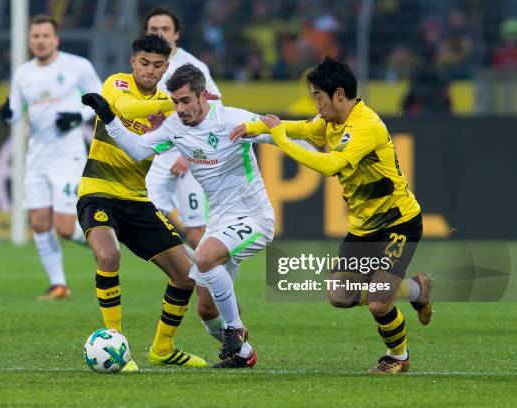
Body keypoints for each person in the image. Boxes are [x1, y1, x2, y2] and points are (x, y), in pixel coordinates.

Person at [81, 63, 307, 368]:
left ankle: (235, 329)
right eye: (174, 102)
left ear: (203, 96)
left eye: (186, 101)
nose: (180, 109)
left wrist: (323, 149)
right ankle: (242, 354)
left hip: (255, 218)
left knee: (202, 257)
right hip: (220, 223)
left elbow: (284, 136)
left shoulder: (232, 119)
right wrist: (109, 117)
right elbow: (136, 149)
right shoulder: (174, 128)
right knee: (205, 307)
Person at [231, 58, 433, 374]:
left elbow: (330, 166)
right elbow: (300, 128)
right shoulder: (331, 121)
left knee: (380, 301)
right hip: (364, 228)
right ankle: (417, 289)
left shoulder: (365, 125)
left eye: (318, 96)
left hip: (398, 222)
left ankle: (398, 356)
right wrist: (252, 128)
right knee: (339, 295)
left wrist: (281, 141)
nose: (316, 103)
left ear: (339, 94)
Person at [76, 35, 206, 371]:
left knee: (186, 275)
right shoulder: (118, 84)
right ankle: (114, 340)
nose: (149, 71)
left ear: (166, 68)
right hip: (98, 189)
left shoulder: (168, 105)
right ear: (133, 61)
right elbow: (125, 109)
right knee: (108, 254)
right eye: (144, 63)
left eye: (157, 65)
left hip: (137, 199)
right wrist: (171, 105)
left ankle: (163, 349)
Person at [0, 15, 102, 300]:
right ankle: (59, 285)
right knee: (40, 223)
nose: (40, 41)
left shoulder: (77, 66)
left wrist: (77, 116)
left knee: (65, 228)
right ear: (29, 41)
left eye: (45, 35)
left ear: (55, 39)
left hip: (67, 155)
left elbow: (102, 96)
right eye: (35, 36)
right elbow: (16, 109)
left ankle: (104, 245)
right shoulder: (23, 73)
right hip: (37, 157)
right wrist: (8, 114)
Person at [143, 6, 227, 347]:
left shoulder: (193, 67)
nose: (159, 32)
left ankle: (210, 277)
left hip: (189, 157)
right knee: (144, 209)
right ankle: (200, 270)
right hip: (159, 154)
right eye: (153, 27)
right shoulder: (145, 67)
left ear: (177, 34)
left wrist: (185, 152)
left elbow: (215, 106)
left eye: (165, 27)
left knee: (196, 231)